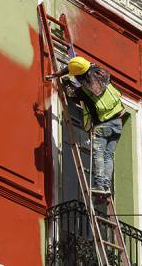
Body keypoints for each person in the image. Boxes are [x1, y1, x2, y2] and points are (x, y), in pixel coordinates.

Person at [53, 56, 125, 196]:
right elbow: (82, 65)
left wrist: (64, 79)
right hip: (118, 122)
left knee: (98, 152)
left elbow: (71, 93)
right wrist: (66, 70)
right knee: (108, 155)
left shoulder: (84, 91)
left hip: (103, 124)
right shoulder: (101, 73)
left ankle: (99, 184)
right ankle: (106, 186)